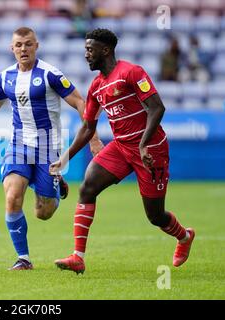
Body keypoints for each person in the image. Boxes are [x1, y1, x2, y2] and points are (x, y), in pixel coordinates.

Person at [50, 28, 195, 274]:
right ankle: (78, 257)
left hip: (151, 150)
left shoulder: (131, 73)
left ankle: (184, 236)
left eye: (89, 49)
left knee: (155, 216)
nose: (86, 55)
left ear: (105, 50)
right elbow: (87, 128)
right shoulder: (96, 86)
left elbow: (157, 108)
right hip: (121, 147)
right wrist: (64, 157)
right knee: (88, 186)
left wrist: (143, 144)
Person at [0, 27, 103, 271]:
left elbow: (80, 102)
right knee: (13, 196)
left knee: (43, 212)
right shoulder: (6, 76)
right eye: (18, 45)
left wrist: (93, 138)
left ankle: (54, 187)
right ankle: (23, 259)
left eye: (28, 44)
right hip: (18, 144)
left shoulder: (50, 74)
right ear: (12, 48)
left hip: (48, 148)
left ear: (36, 45)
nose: (23, 49)